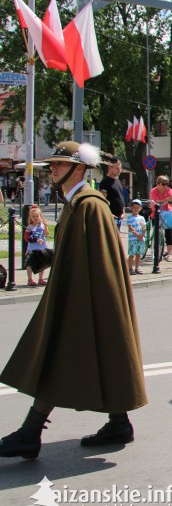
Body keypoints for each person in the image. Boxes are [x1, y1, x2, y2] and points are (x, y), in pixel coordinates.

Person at [0, 141, 146, 459]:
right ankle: (119, 423)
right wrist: (49, 256)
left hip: (88, 296)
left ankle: (30, 433)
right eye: (52, 164)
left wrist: (86, 302)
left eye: (59, 164)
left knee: (57, 357)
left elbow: (98, 259)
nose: (52, 168)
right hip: (84, 294)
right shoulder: (75, 202)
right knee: (98, 356)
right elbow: (78, 248)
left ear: (79, 168)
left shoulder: (89, 204)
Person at [149, 175, 172, 260]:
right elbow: (156, 201)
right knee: (156, 233)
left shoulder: (169, 190)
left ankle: (169, 254)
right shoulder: (153, 191)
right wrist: (167, 199)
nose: (165, 186)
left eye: (166, 184)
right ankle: (156, 251)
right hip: (156, 213)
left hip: (167, 213)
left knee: (169, 233)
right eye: (163, 184)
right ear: (158, 184)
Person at [97, 154, 126, 230]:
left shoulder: (118, 181)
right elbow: (102, 200)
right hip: (110, 218)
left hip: (119, 218)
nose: (119, 170)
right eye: (117, 168)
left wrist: (123, 210)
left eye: (120, 167)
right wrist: (109, 214)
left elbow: (119, 197)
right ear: (110, 167)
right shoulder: (105, 182)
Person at [23, 206, 48, 287]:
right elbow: (27, 239)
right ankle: (30, 279)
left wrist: (46, 226)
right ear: (30, 218)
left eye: (37, 216)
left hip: (41, 247)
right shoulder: (29, 227)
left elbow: (46, 233)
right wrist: (36, 239)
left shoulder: (42, 226)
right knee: (30, 264)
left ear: (40, 216)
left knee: (42, 263)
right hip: (32, 248)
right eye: (33, 216)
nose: (35, 218)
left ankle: (41, 278)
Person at [126, 199, 146, 275]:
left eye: (137, 207)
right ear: (131, 208)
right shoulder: (130, 218)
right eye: (134, 207)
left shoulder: (142, 218)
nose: (136, 209)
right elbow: (131, 228)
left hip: (140, 239)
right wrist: (138, 235)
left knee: (138, 254)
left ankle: (137, 268)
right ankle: (130, 268)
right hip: (133, 239)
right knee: (132, 254)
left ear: (140, 208)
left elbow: (144, 227)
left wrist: (142, 235)